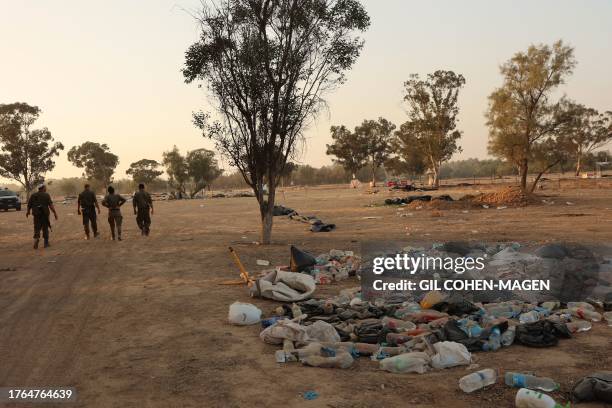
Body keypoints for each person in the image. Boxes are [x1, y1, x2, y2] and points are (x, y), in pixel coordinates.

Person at [26, 183, 58, 249]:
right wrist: (55, 213)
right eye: (45, 187)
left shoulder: (33, 195)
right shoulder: (46, 195)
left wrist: (28, 212)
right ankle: (46, 243)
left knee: (37, 228)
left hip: (36, 215)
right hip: (45, 215)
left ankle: (36, 239)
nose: (46, 188)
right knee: (45, 228)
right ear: (43, 188)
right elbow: (51, 205)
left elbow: (29, 205)